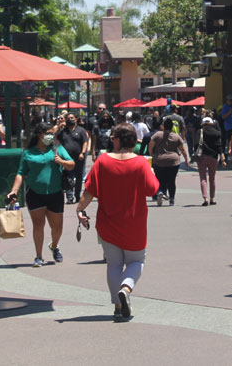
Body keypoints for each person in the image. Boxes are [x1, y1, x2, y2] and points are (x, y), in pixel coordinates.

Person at [76, 123, 160, 321]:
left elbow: (89, 191)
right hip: (134, 223)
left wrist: (80, 209)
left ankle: (117, 305)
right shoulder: (141, 163)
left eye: (113, 136)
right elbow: (152, 189)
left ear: (119, 139)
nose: (111, 139)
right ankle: (126, 288)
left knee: (113, 264)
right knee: (136, 261)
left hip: (108, 223)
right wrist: (153, 173)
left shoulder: (102, 162)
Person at [7, 122, 75, 267]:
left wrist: (61, 161)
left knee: (57, 228)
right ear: (39, 134)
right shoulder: (28, 153)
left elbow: (72, 164)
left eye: (52, 133)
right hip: (34, 193)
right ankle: (38, 256)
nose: (50, 136)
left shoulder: (57, 148)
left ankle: (54, 246)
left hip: (55, 192)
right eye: (47, 133)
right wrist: (14, 191)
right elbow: (21, 174)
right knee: (38, 225)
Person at [149, 116, 190, 206]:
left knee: (159, 179)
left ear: (163, 126)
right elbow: (182, 150)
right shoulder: (176, 137)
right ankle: (171, 199)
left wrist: (152, 155)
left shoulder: (157, 135)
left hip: (159, 160)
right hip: (173, 161)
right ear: (172, 127)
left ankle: (160, 191)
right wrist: (186, 160)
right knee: (171, 181)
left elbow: (151, 146)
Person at [57, 112, 90, 204]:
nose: (70, 120)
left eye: (72, 118)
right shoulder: (63, 131)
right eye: (68, 118)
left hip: (79, 157)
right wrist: (59, 127)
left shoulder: (81, 130)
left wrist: (83, 153)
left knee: (78, 178)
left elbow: (85, 142)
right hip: (67, 159)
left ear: (75, 119)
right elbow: (55, 138)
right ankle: (70, 196)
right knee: (68, 177)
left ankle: (77, 195)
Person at [196, 116, 225, 205]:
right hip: (213, 157)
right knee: (212, 179)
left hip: (202, 157)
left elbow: (196, 144)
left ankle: (205, 198)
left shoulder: (199, 131)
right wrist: (222, 156)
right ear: (212, 123)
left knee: (203, 178)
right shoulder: (217, 133)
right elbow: (219, 145)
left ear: (203, 123)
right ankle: (212, 198)